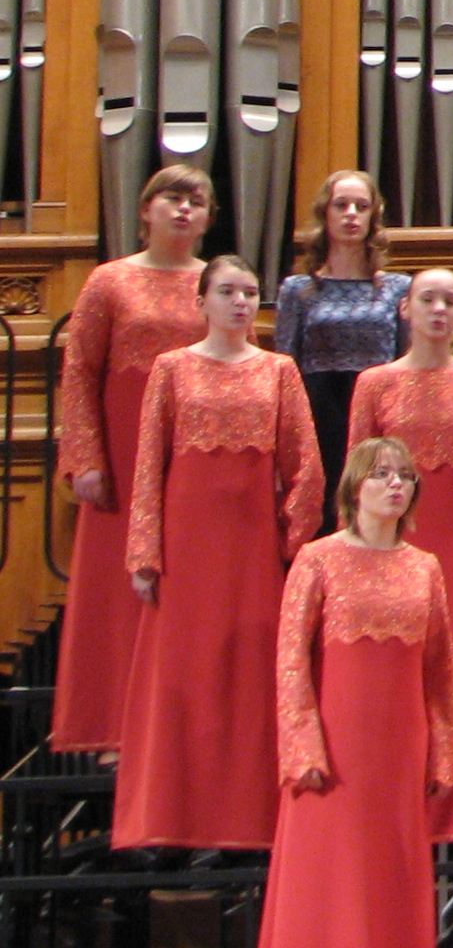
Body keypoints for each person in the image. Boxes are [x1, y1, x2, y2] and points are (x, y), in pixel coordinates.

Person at [116, 254, 324, 851]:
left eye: (248, 292)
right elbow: (149, 465)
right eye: (227, 291)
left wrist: (292, 549)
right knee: (182, 673)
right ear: (200, 301)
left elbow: (304, 467)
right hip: (185, 547)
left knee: (250, 671)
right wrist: (144, 554)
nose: (238, 302)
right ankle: (169, 819)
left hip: (252, 548)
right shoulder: (171, 369)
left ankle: (250, 818)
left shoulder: (279, 370)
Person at [261, 438, 453, 948]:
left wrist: (443, 757)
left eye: (405, 475)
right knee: (327, 875)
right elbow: (291, 660)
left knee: (391, 871)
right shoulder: (317, 560)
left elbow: (439, 672)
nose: (396, 483)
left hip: (400, 751)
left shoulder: (426, 567)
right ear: (353, 486)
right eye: (381, 474)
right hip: (334, 748)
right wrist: (303, 747)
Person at [350, 269, 453, 840]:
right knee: (401, 673)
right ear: (405, 309)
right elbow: (358, 475)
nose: (440, 309)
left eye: (452, 301)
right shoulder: (374, 384)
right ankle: (397, 804)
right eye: (429, 299)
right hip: (393, 546)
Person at [53, 164, 214, 755]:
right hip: (121, 450)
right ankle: (115, 728)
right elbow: (79, 374)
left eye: (196, 202)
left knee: (185, 585)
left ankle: (178, 728)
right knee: (118, 589)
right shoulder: (108, 281)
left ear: (208, 219)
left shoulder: (215, 281)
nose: (182, 210)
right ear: (144, 210)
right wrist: (84, 457)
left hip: (192, 450)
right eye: (171, 198)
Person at [272, 169, 411, 500]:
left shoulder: (398, 288)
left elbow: (405, 359)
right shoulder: (297, 289)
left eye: (361, 207)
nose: (351, 214)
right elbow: (286, 368)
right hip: (320, 410)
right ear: (325, 214)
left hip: (378, 408)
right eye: (341, 205)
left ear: (373, 217)